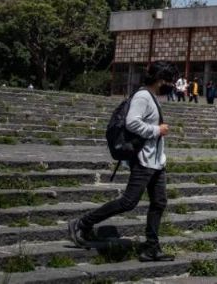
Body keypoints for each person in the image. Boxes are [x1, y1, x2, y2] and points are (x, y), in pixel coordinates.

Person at [68, 61, 177, 262]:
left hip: (156, 162)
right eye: (167, 81)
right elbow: (132, 122)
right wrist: (156, 130)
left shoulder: (151, 97)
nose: (169, 85)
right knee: (128, 202)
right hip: (144, 160)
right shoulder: (143, 96)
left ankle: (151, 247)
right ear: (160, 80)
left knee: (159, 202)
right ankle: (81, 223)